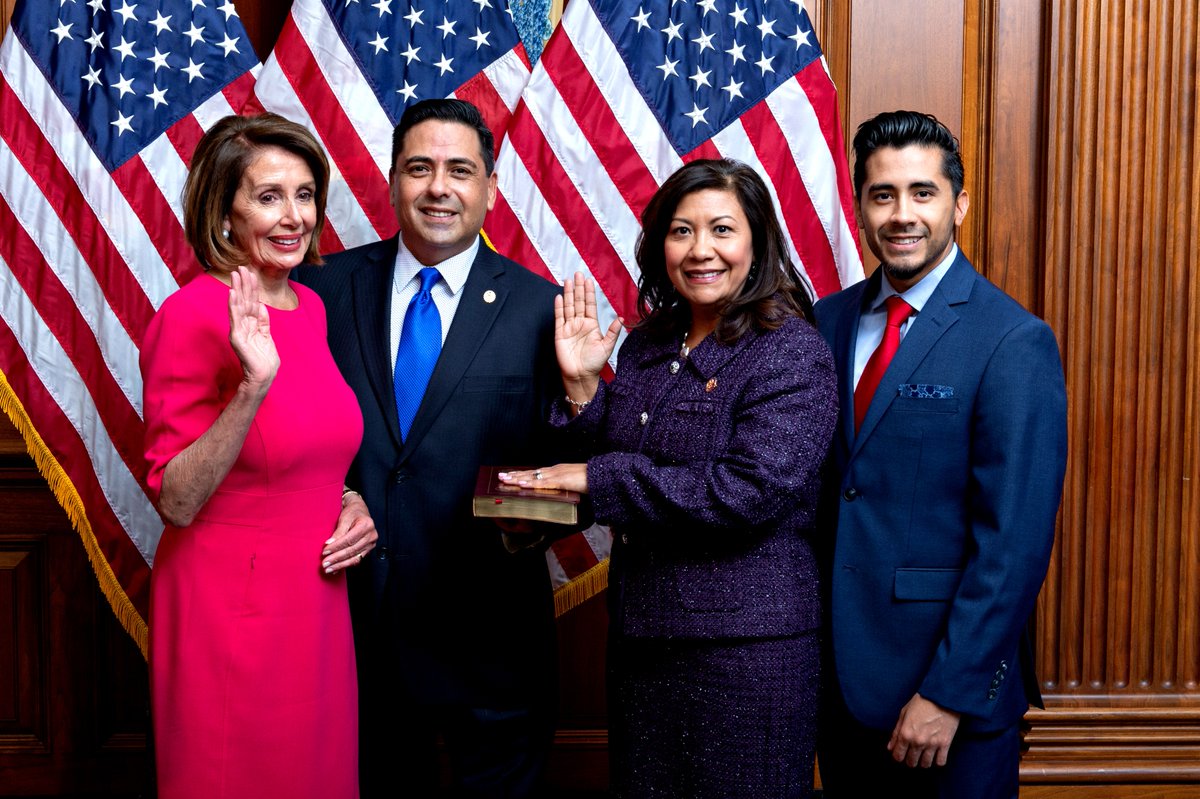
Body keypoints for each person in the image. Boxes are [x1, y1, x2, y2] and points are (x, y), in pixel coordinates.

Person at [502, 159, 838, 798]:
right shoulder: (650, 341)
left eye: (721, 230)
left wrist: (595, 478)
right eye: (682, 232)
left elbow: (746, 492)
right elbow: (619, 454)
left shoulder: (791, 350)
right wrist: (580, 389)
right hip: (643, 640)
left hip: (747, 648)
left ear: (757, 242)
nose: (700, 250)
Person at [294, 99, 564, 798]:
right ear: (390, 182)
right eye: (420, 168)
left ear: (490, 189)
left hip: (491, 636)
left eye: (459, 170)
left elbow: (565, 461)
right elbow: (285, 435)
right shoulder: (320, 291)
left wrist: (586, 387)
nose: (438, 187)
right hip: (350, 629)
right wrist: (337, 492)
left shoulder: (544, 310)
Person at [812, 110, 1068, 798]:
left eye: (922, 193)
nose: (902, 214)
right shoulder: (825, 321)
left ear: (958, 203)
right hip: (839, 693)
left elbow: (1013, 544)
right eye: (883, 194)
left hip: (946, 702)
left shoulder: (1012, 339)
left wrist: (948, 693)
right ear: (861, 205)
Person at [140, 113, 377, 799]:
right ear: (224, 211)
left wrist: (348, 500)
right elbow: (177, 498)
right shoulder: (190, 314)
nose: (295, 215)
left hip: (317, 603)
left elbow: (307, 453)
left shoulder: (309, 306)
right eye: (269, 196)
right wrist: (251, 389)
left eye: (305, 194)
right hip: (230, 605)